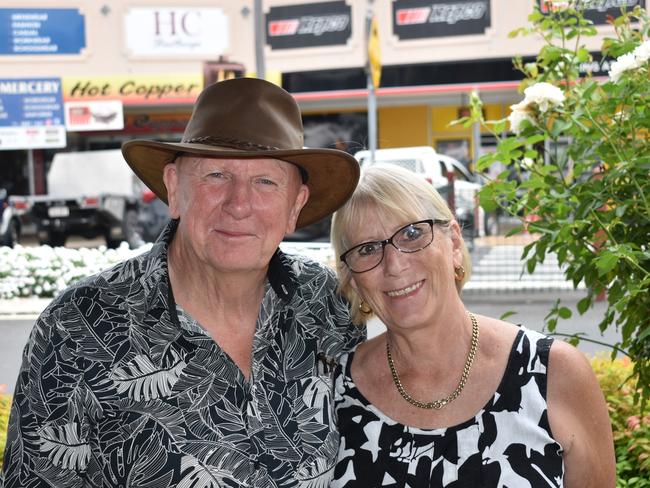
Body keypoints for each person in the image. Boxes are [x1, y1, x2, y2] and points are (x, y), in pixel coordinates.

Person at [2, 78, 365, 487]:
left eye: (266, 181)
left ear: (294, 206)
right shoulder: (78, 326)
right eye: (216, 175)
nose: (239, 204)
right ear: (175, 188)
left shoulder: (327, 303)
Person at [329, 164, 615, 487]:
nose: (394, 264)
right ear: (351, 279)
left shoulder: (554, 373)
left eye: (412, 233)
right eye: (367, 249)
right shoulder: (334, 392)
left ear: (453, 242)